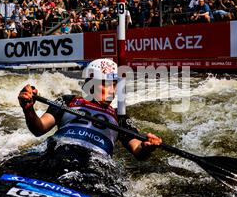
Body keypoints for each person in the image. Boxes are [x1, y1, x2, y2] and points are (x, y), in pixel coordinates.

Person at [18, 58, 163, 160]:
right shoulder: (69, 100)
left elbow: (137, 150)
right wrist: (29, 110)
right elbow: (39, 128)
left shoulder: (120, 116)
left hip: (95, 162)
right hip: (56, 151)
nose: (112, 90)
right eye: (106, 84)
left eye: (114, 85)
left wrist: (146, 146)